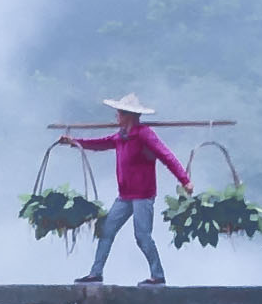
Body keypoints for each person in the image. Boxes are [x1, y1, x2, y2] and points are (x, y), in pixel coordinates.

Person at [59, 94, 194, 286]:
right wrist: (74, 142)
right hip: (124, 196)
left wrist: (184, 180)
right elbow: (100, 143)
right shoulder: (121, 136)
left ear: (128, 115)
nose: (116, 117)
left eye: (119, 114)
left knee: (142, 236)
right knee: (106, 230)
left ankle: (158, 275)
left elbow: (166, 156)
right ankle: (96, 273)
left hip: (142, 195)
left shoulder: (144, 134)